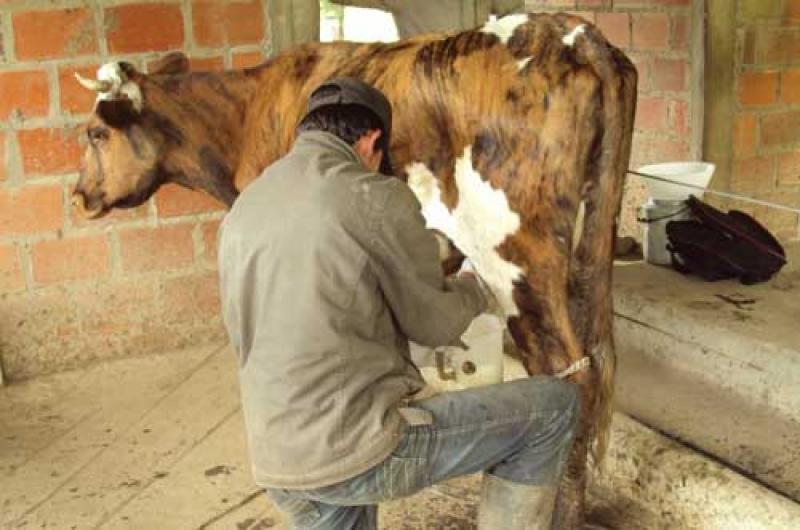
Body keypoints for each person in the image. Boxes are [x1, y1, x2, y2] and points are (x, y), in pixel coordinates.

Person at [217, 77, 579, 530]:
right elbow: (435, 324)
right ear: (371, 142)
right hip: (359, 450)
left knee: (341, 485)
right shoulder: (372, 194)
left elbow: (245, 329)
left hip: (277, 461)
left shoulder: (246, 206)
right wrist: (474, 284)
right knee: (552, 407)